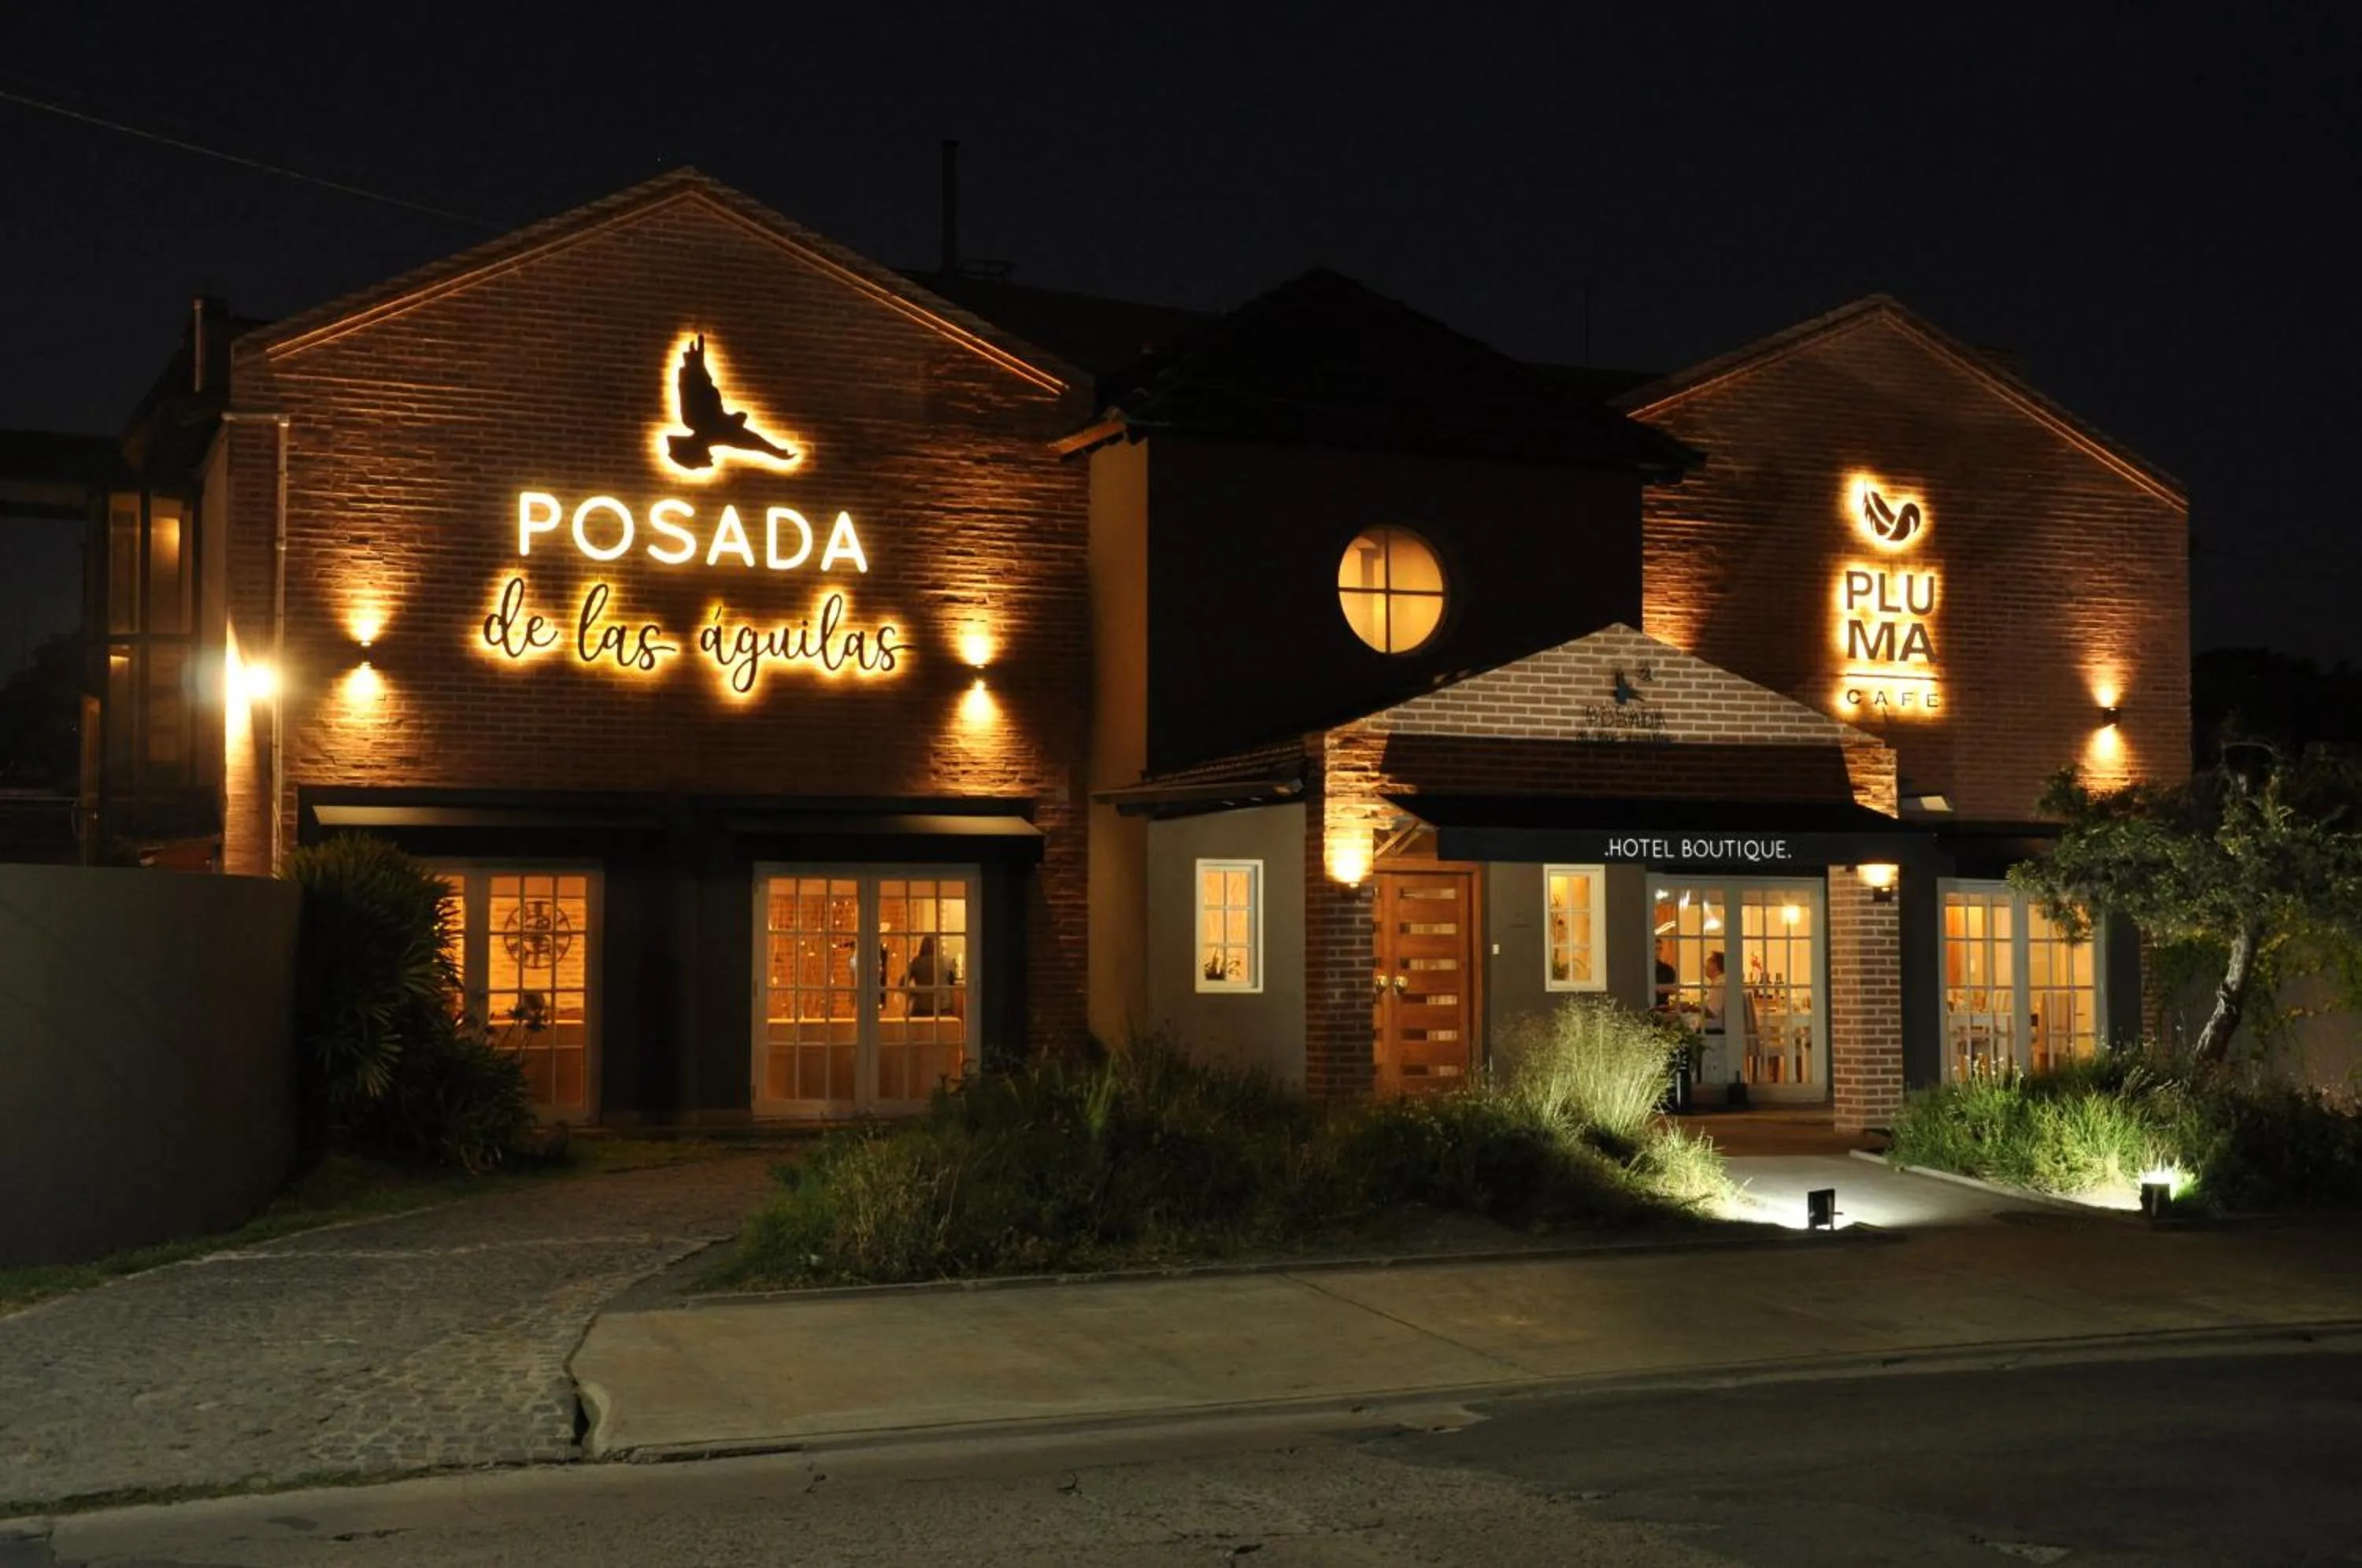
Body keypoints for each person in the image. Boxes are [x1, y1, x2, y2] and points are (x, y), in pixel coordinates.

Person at [905, 935, 938, 1018]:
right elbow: (952, 984)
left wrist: (915, 992)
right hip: (942, 1008)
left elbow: (903, 983)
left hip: (920, 1008)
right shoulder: (945, 962)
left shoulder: (917, 962)